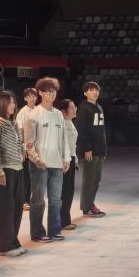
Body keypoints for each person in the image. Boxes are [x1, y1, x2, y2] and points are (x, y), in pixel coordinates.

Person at [24, 77, 70, 243]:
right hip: (40, 165)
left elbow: (64, 138)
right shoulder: (33, 114)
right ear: (40, 93)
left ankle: (55, 230)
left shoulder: (58, 115)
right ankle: (37, 233)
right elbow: (28, 141)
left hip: (57, 164)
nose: (52, 94)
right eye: (48, 91)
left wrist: (66, 158)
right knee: (37, 200)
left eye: (54, 91)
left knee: (56, 200)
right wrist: (36, 159)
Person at [0, 90, 25, 257]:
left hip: (18, 168)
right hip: (5, 170)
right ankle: (4, 247)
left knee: (17, 207)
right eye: (10, 102)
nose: (13, 105)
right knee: (5, 209)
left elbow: (19, 143)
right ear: (2, 104)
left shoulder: (13, 122)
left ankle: (13, 240)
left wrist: (24, 148)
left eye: (14, 102)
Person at [75, 81, 108, 217]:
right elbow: (81, 130)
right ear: (85, 93)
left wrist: (104, 149)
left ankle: (90, 203)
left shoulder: (99, 107)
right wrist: (87, 148)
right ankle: (86, 207)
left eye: (96, 90)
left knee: (96, 180)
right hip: (89, 151)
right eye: (91, 89)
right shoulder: (83, 108)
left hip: (99, 150)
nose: (94, 92)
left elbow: (101, 130)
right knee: (89, 180)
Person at [15, 87, 38, 210]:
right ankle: (24, 200)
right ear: (25, 98)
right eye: (29, 96)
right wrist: (23, 148)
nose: (32, 98)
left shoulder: (39, 110)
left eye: (33, 95)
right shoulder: (23, 112)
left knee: (34, 175)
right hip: (27, 149)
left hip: (37, 148)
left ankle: (31, 199)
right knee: (26, 176)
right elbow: (20, 131)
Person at [57, 98, 79, 231]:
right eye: (72, 107)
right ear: (64, 111)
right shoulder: (62, 124)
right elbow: (62, 145)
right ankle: (63, 221)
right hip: (64, 160)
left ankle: (65, 219)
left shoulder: (70, 122)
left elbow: (73, 146)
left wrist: (75, 160)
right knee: (65, 192)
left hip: (71, 158)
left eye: (74, 107)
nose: (75, 109)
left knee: (69, 191)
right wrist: (66, 160)